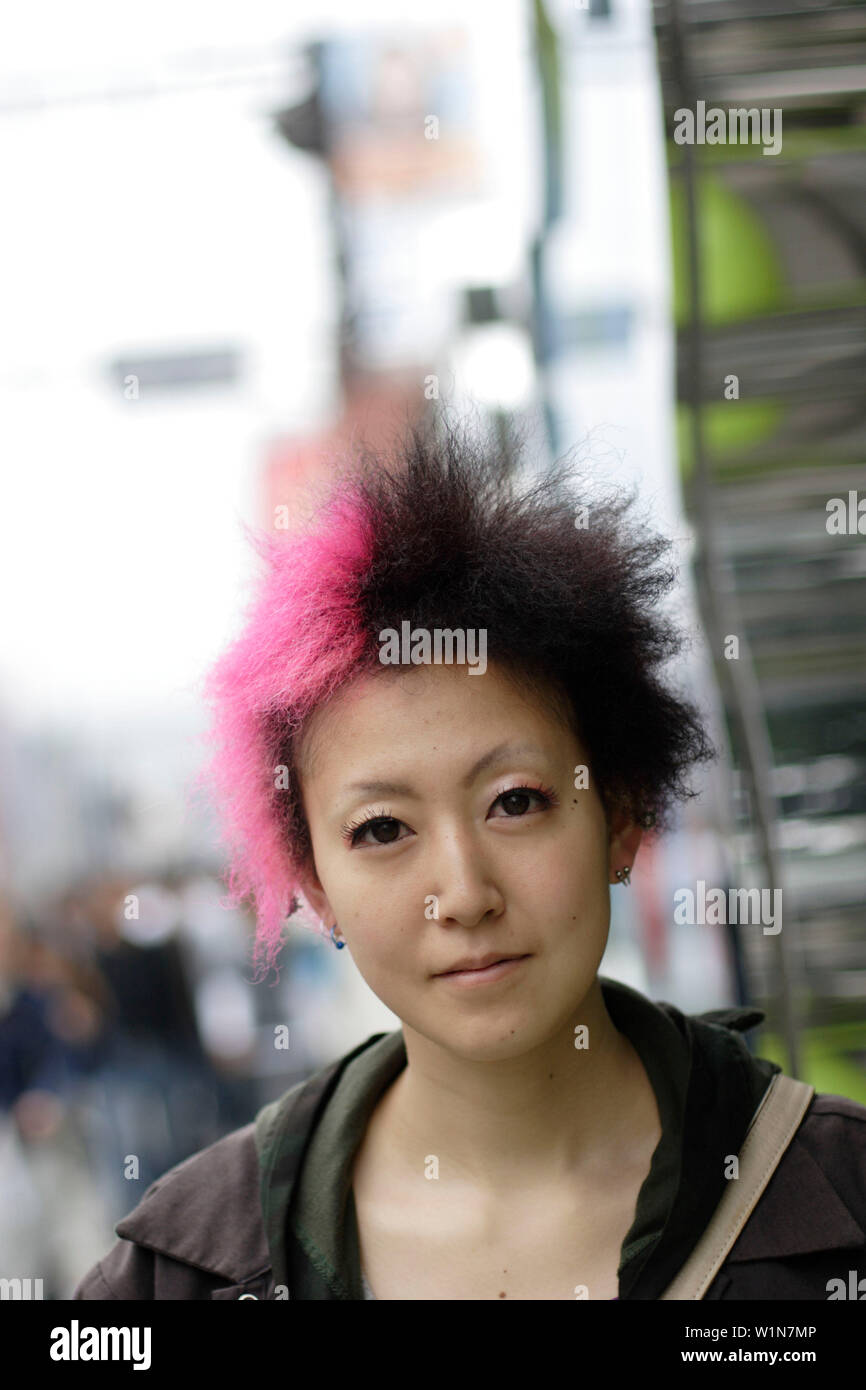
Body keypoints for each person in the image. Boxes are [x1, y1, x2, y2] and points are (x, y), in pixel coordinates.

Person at [72, 415, 866, 1300]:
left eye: (515, 803)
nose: (463, 893)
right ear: (313, 888)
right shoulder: (178, 1275)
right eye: (381, 829)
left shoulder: (839, 1199)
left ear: (622, 815)